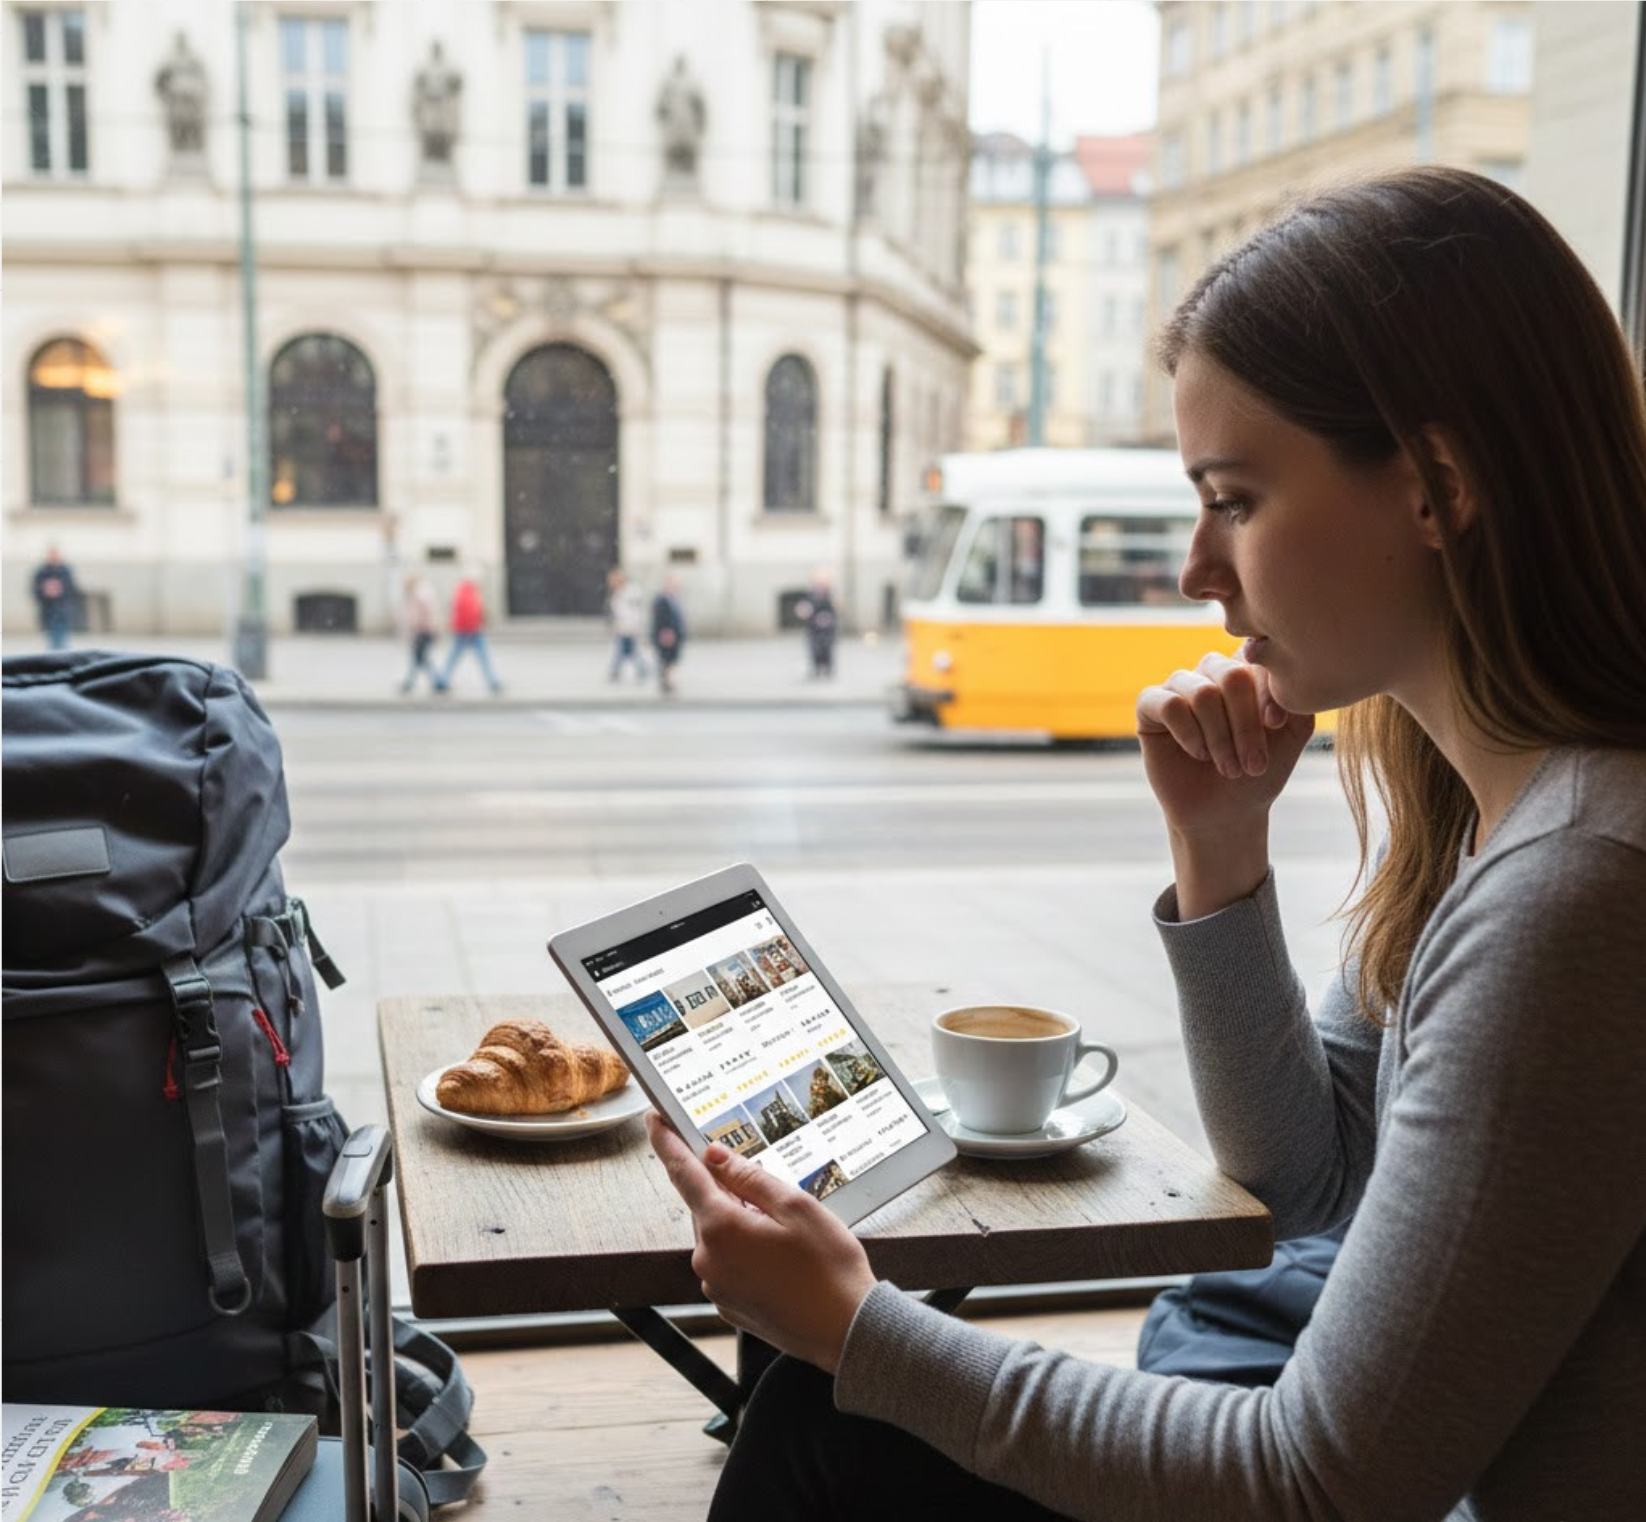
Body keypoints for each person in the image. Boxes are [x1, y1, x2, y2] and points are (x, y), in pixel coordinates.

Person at [648, 167, 1646, 1519]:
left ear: (1436, 487)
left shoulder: (1574, 887)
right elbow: (1302, 1179)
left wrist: (860, 1325)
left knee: (830, 1417)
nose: (1195, 568)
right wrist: (1219, 848)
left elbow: (1320, 1479)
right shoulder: (1486, 816)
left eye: (1232, 499)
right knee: (830, 1404)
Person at [434, 573, 503, 695]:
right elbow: (477, 611)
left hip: (461, 629)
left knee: (454, 656)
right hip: (473, 630)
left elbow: (454, 610)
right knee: (483, 657)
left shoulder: (459, 592)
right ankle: (493, 681)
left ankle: (442, 680)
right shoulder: (473, 593)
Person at [399, 574, 441, 694]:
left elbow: (423, 613)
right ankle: (436, 682)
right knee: (420, 658)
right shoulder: (419, 595)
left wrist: (419, 626)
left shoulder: (419, 596)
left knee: (420, 657)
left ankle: (436, 682)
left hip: (423, 631)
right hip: (422, 630)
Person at [32, 545, 79, 651]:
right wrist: (44, 590)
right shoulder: (42, 571)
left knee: (62, 636)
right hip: (48, 608)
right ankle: (54, 655)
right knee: (51, 635)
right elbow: (35, 589)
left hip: (63, 608)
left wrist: (60, 589)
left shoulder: (66, 570)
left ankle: (62, 654)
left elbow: (72, 588)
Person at [605, 567, 649, 682]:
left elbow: (632, 612)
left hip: (628, 627)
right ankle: (640, 668)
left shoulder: (630, 593)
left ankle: (618, 670)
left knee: (624, 650)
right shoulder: (620, 592)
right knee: (626, 650)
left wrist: (627, 625)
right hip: (624, 627)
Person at [793, 569, 838, 679]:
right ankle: (816, 668)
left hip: (828, 628)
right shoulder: (809, 595)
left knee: (827, 649)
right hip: (813, 627)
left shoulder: (830, 594)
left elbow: (835, 609)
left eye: (822, 581)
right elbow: (803, 609)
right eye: (818, 581)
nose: (820, 584)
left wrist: (828, 617)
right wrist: (804, 611)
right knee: (814, 649)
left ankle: (828, 668)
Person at [650, 573, 687, 696]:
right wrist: (666, 632)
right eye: (674, 584)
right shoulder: (661, 599)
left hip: (674, 635)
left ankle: (667, 682)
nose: (676, 587)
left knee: (671, 660)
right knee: (666, 659)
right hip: (666, 636)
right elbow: (661, 619)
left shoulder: (673, 598)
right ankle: (666, 683)